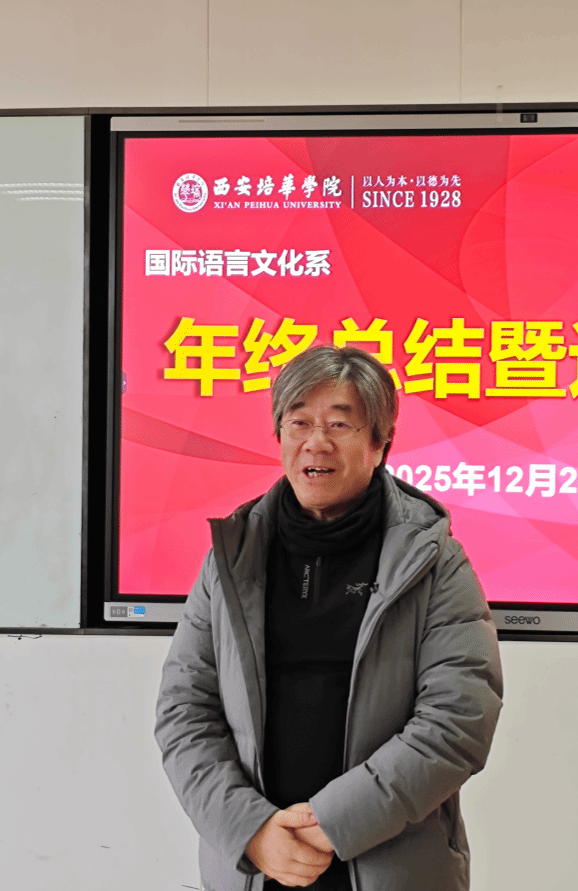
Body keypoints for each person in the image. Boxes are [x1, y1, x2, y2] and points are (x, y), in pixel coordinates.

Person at [155, 345, 503, 891]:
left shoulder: (433, 560)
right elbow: (184, 710)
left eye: (339, 424)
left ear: (380, 444)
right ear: (279, 435)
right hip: (257, 866)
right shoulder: (233, 556)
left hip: (395, 869)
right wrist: (251, 830)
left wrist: (330, 825)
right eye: (299, 423)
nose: (316, 442)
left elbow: (458, 719)